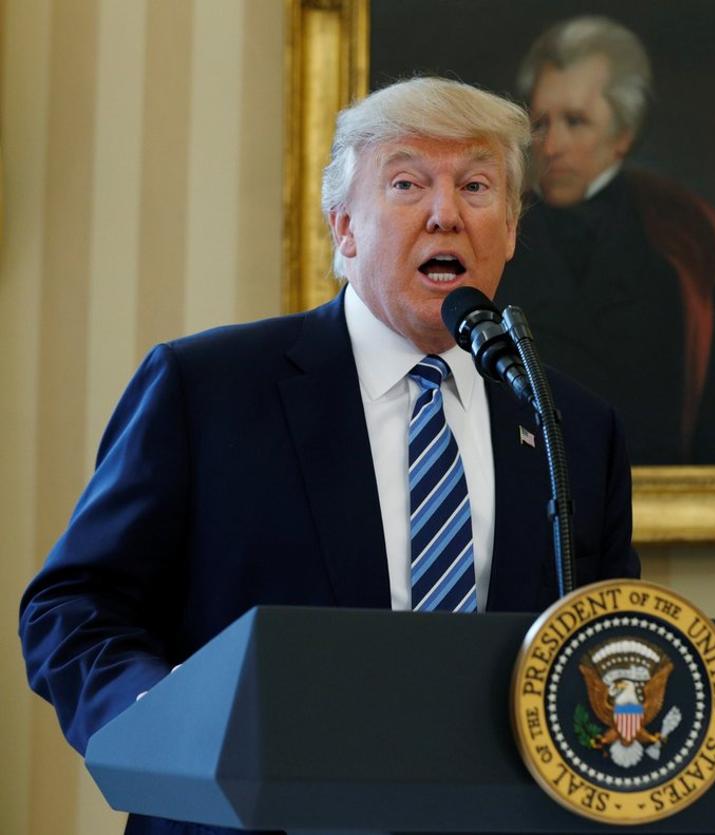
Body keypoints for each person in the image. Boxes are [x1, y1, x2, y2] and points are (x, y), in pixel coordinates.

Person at [19, 77, 640, 835]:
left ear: (509, 229)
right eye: (408, 182)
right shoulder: (207, 389)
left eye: (476, 186)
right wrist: (166, 720)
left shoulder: (573, 424)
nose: (446, 213)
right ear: (344, 228)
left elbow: (606, 647)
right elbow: (72, 608)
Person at [493, 15, 715, 466]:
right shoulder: (496, 242)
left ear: (623, 135)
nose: (552, 144)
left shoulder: (678, 254)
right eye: (541, 123)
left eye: (575, 122)